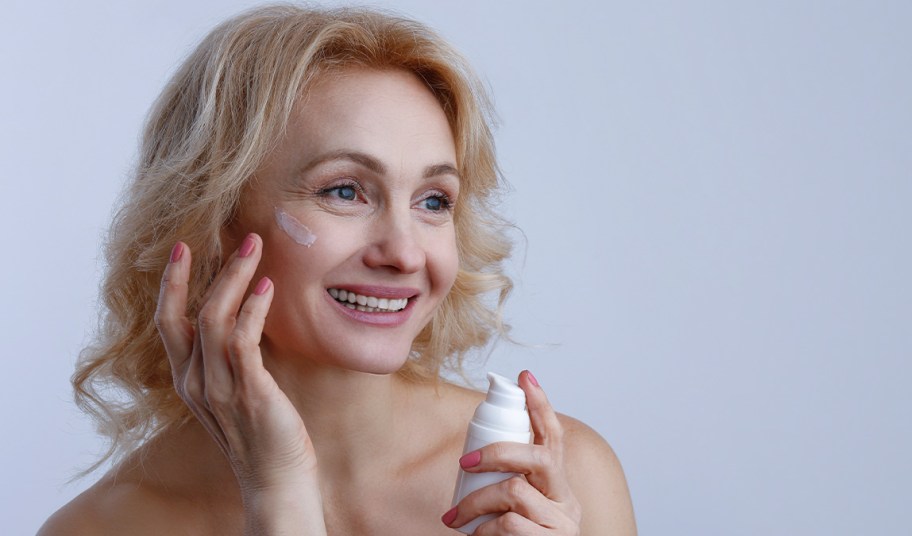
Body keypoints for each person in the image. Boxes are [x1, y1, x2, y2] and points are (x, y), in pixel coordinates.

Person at [39, 5, 637, 535]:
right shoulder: (105, 525)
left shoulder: (564, 479)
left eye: (434, 201)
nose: (404, 253)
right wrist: (278, 496)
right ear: (213, 217)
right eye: (346, 191)